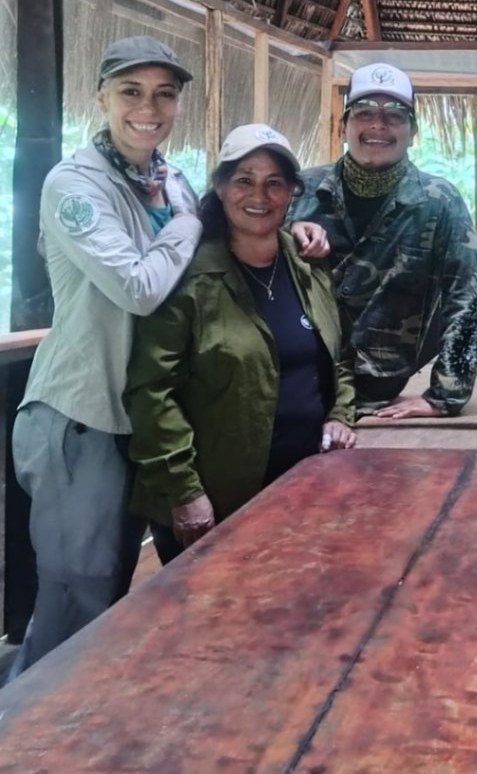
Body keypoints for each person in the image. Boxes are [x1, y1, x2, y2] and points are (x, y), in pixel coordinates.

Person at [7, 37, 203, 678]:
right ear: (101, 97)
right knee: (75, 603)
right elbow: (140, 289)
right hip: (79, 418)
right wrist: (188, 224)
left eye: (164, 94)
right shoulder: (73, 184)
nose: (148, 108)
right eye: (131, 91)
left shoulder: (170, 179)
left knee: (112, 599)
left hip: (136, 421)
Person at [125, 125, 356, 564]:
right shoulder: (187, 277)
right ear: (220, 186)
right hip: (217, 502)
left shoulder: (308, 266)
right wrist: (184, 491)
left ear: (292, 193)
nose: (260, 195)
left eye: (274, 183)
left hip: (305, 490)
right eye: (245, 180)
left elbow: (337, 355)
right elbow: (151, 392)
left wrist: (341, 414)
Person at [291, 63, 477, 419]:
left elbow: (468, 299)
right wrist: (285, 235)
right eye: (364, 113)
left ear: (413, 132)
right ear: (342, 126)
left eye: (394, 115)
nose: (378, 125)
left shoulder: (439, 202)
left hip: (383, 402)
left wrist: (445, 394)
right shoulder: (298, 192)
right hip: (295, 392)